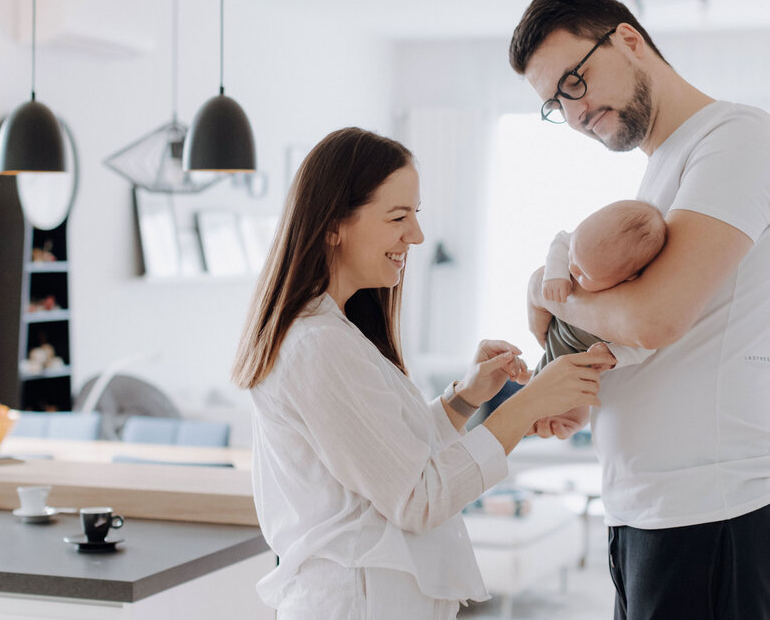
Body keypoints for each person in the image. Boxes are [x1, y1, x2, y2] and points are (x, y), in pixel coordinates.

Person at [510, 0, 770, 619]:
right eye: (554, 105)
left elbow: (654, 318)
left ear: (627, 39)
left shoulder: (736, 139)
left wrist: (550, 293)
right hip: (653, 514)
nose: (574, 112)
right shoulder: (664, 168)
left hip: (716, 513)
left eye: (574, 82)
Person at [231, 127, 615, 619]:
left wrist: (466, 398)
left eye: (416, 213)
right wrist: (530, 402)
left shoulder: (334, 332)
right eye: (398, 216)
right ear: (333, 224)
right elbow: (418, 498)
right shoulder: (317, 345)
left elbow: (391, 460)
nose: (416, 234)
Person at [539, 198, 666, 370]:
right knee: (543, 371)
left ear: (628, 277)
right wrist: (554, 275)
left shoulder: (628, 306)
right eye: (571, 257)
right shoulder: (583, 245)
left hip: (573, 355)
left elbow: (644, 347)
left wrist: (612, 354)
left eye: (584, 274)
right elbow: (561, 240)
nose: (572, 269)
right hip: (557, 331)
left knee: (549, 378)